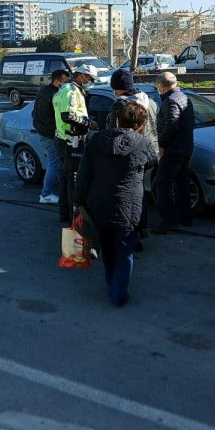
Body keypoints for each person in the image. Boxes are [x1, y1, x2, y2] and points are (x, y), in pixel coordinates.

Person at [74, 101, 158, 306]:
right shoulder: (142, 142)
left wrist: (78, 202)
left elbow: (84, 173)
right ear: (139, 125)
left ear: (118, 119)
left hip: (98, 203)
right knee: (125, 250)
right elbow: (154, 161)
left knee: (108, 248)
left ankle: (111, 282)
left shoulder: (96, 140)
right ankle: (118, 293)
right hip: (128, 207)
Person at [107, 68, 159, 250]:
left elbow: (113, 134)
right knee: (141, 194)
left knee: (124, 197)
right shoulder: (150, 101)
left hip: (127, 156)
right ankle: (141, 230)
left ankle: (130, 236)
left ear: (117, 88)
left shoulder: (120, 106)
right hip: (149, 153)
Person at [52, 64, 99, 224]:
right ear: (81, 76)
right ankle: (75, 218)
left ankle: (64, 213)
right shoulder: (71, 91)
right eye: (90, 79)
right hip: (70, 141)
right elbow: (68, 115)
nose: (91, 82)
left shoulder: (63, 89)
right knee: (73, 179)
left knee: (66, 179)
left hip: (63, 137)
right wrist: (88, 124)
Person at [154, 71, 194, 233]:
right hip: (185, 147)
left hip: (173, 149)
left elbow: (171, 126)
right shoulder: (184, 97)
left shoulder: (170, 101)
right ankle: (185, 216)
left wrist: (161, 144)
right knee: (181, 181)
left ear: (161, 86)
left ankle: (169, 220)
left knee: (161, 183)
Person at [32, 69, 70, 205]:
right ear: (57, 81)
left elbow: (34, 113)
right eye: (65, 82)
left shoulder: (43, 91)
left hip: (43, 132)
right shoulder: (55, 95)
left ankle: (64, 190)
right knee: (54, 163)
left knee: (58, 163)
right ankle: (46, 194)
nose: (66, 85)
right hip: (50, 135)